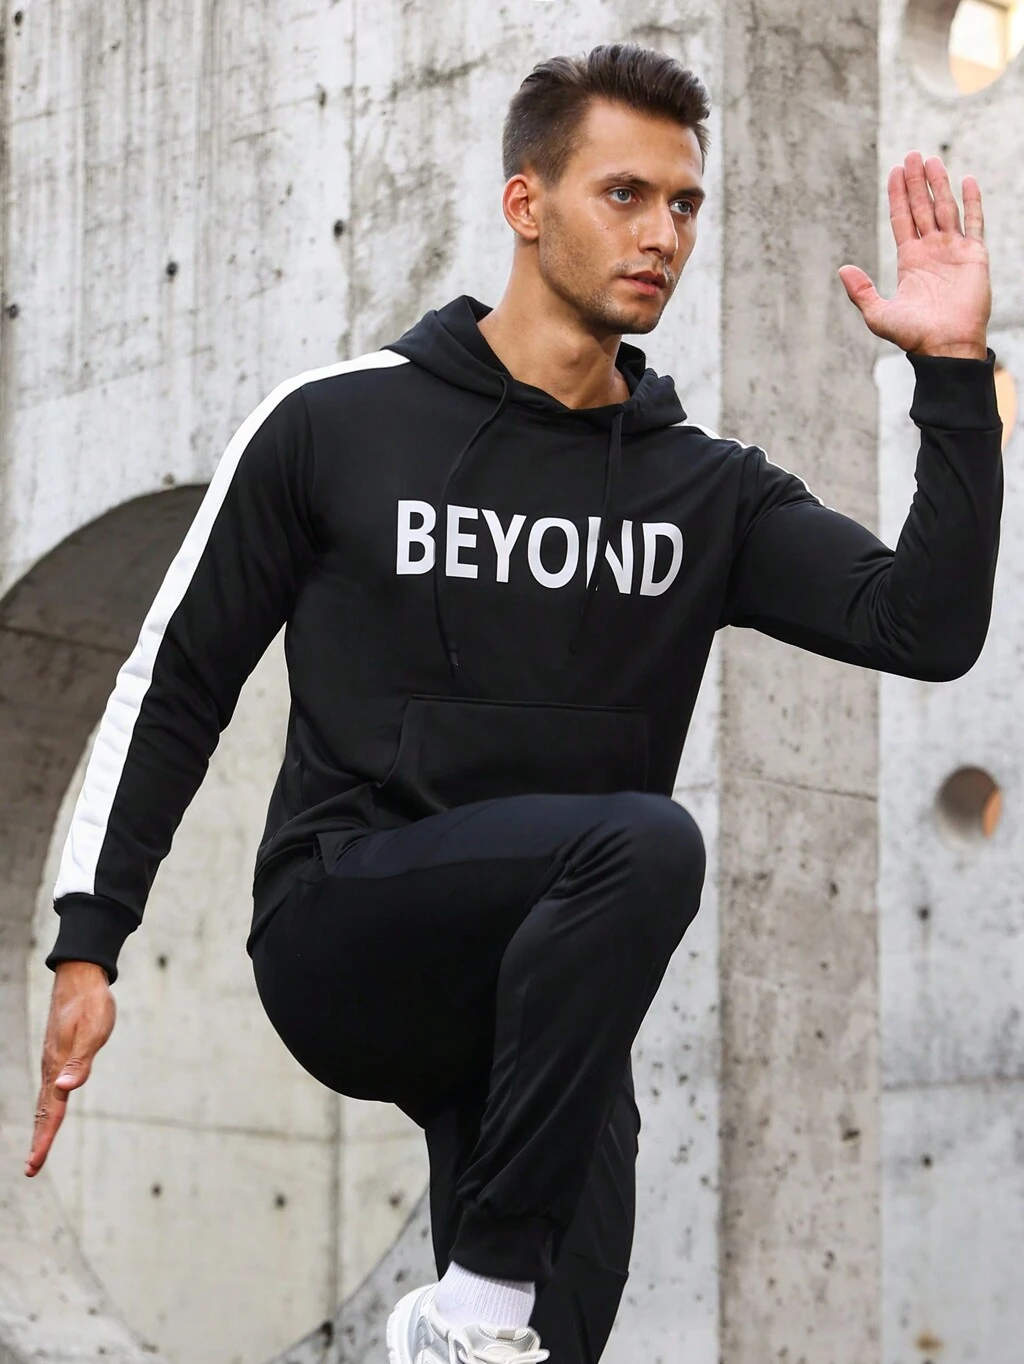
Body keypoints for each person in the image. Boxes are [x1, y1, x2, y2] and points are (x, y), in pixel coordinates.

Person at [27, 40, 1001, 1364]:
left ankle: (478, 1321)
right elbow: (178, 677)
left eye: (685, 203)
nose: (662, 235)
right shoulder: (336, 425)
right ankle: (474, 1304)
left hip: (554, 1005)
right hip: (349, 925)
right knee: (645, 843)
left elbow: (924, 628)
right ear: (524, 203)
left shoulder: (705, 489)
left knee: (551, 1343)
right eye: (625, 194)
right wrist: (91, 941)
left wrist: (954, 374)